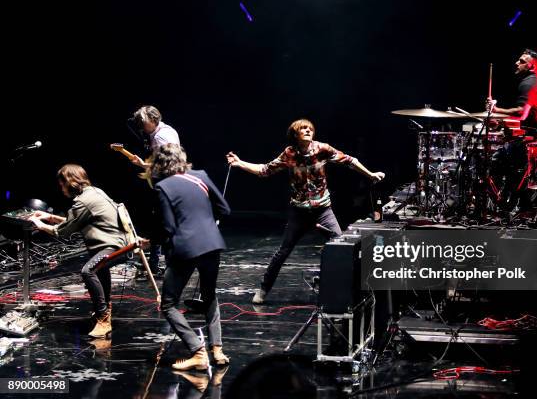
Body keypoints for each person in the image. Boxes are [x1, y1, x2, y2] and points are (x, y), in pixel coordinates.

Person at [226, 119, 385, 304]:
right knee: (283, 252)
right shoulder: (289, 153)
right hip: (299, 212)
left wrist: (370, 174)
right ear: (295, 134)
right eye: (303, 129)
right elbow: (264, 170)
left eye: (310, 128)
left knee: (343, 247)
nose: (308, 131)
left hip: (323, 210)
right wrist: (240, 163)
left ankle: (350, 292)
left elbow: (350, 161)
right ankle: (263, 289)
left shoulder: (322, 149)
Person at [150, 144, 230, 371]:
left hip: (185, 248)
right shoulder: (200, 176)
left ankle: (198, 352)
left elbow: (168, 227)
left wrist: (153, 241)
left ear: (160, 164)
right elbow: (224, 209)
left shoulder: (162, 186)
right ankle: (218, 350)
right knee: (209, 296)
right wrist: (204, 223)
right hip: (212, 244)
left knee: (168, 304)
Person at [29, 164, 129, 338]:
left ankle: (103, 319)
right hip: (118, 243)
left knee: (88, 271)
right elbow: (77, 221)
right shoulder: (94, 192)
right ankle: (104, 311)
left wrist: (39, 224)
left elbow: (62, 231)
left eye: (62, 184)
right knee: (100, 270)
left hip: (112, 246)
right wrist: (51, 217)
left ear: (69, 182)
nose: (61, 188)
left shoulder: (83, 201)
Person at [486, 49, 537, 211]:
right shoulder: (532, 83)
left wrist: (496, 109)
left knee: (498, 158)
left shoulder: (529, 83)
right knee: (509, 152)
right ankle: (516, 199)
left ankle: (508, 201)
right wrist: (500, 123)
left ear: (531, 66)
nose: (516, 63)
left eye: (521, 61)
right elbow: (526, 117)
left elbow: (520, 113)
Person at [130, 105, 181, 274]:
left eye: (143, 122)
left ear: (153, 120)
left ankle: (165, 265)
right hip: (166, 183)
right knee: (158, 222)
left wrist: (144, 164)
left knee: (162, 222)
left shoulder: (161, 136)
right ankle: (155, 263)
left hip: (167, 184)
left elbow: (169, 164)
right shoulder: (162, 131)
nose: (141, 127)